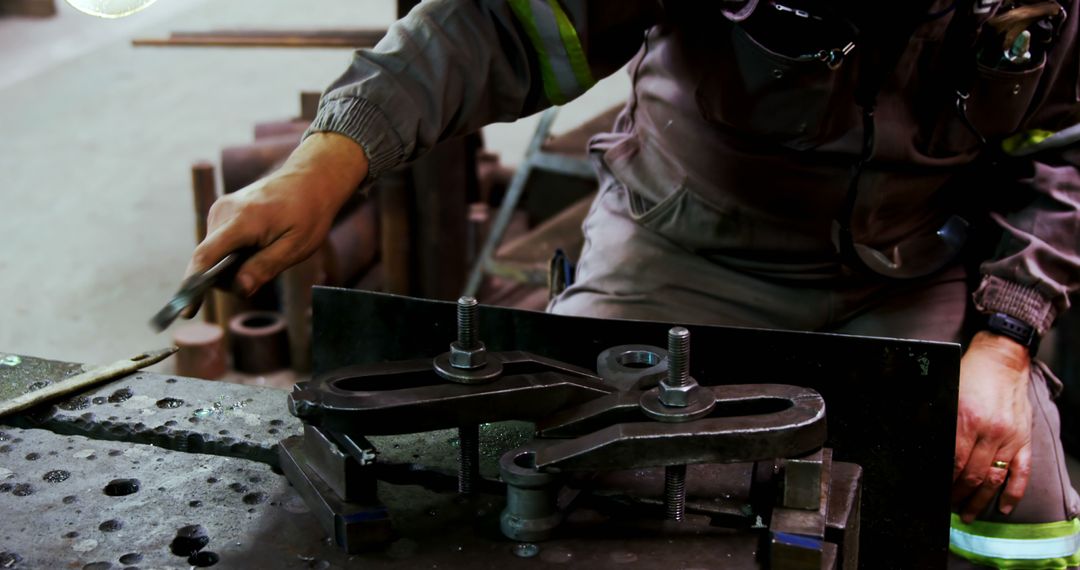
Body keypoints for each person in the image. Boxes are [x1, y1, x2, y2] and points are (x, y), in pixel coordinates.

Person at [184, 1, 1080, 566]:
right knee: (551, 473)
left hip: (910, 268)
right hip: (681, 245)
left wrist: (1006, 337)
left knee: (1012, 491)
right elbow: (501, 23)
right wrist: (332, 156)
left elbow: (1062, 158)